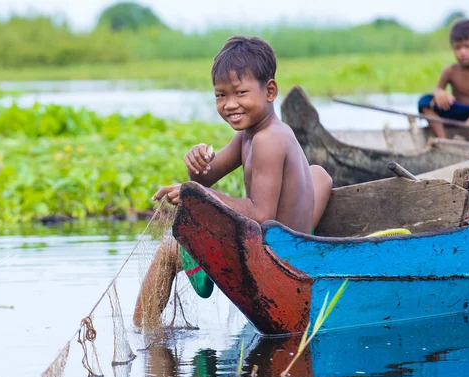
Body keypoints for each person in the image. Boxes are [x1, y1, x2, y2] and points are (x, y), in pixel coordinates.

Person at [133, 36, 332, 327]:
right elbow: (208, 176)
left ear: (270, 90)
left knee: (168, 250)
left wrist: (196, 196)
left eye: (240, 93)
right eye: (220, 95)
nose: (229, 104)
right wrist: (198, 163)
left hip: (275, 259)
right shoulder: (249, 134)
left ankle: (142, 327)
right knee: (319, 174)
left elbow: (261, 214)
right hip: (287, 241)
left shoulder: (267, 139)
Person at [418, 19, 469, 143]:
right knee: (424, 101)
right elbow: (438, 89)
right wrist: (439, 93)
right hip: (459, 114)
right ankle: (443, 141)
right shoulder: (450, 71)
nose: (462, 52)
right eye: (458, 47)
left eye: (467, 46)